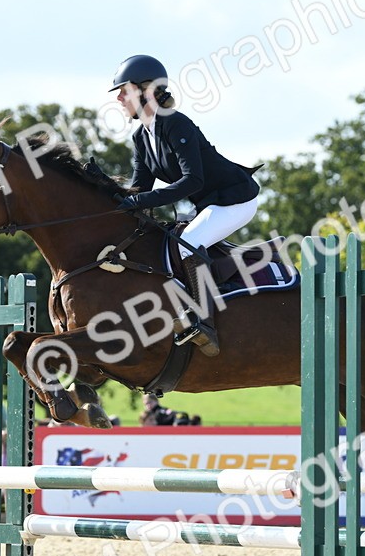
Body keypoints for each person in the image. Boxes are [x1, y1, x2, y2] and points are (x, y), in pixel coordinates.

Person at [110, 54, 262, 358]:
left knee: (187, 242)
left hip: (236, 198)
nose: (120, 99)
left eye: (124, 91)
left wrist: (138, 200)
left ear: (147, 90)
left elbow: (193, 180)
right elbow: (141, 186)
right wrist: (104, 190)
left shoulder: (175, 124)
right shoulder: (142, 135)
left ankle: (204, 323)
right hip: (208, 204)